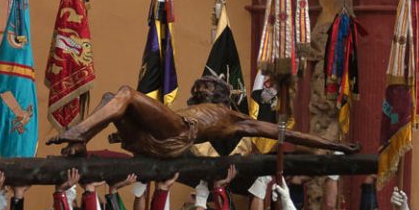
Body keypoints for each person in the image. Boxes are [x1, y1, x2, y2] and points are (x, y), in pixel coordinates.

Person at [47, 78, 359, 158]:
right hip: (150, 138)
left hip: (176, 137)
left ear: (221, 95)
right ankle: (78, 143)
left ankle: (77, 132)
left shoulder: (235, 118)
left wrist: (332, 145)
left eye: (207, 86)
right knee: (110, 98)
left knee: (127, 92)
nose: (201, 88)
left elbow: (285, 133)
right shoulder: (186, 108)